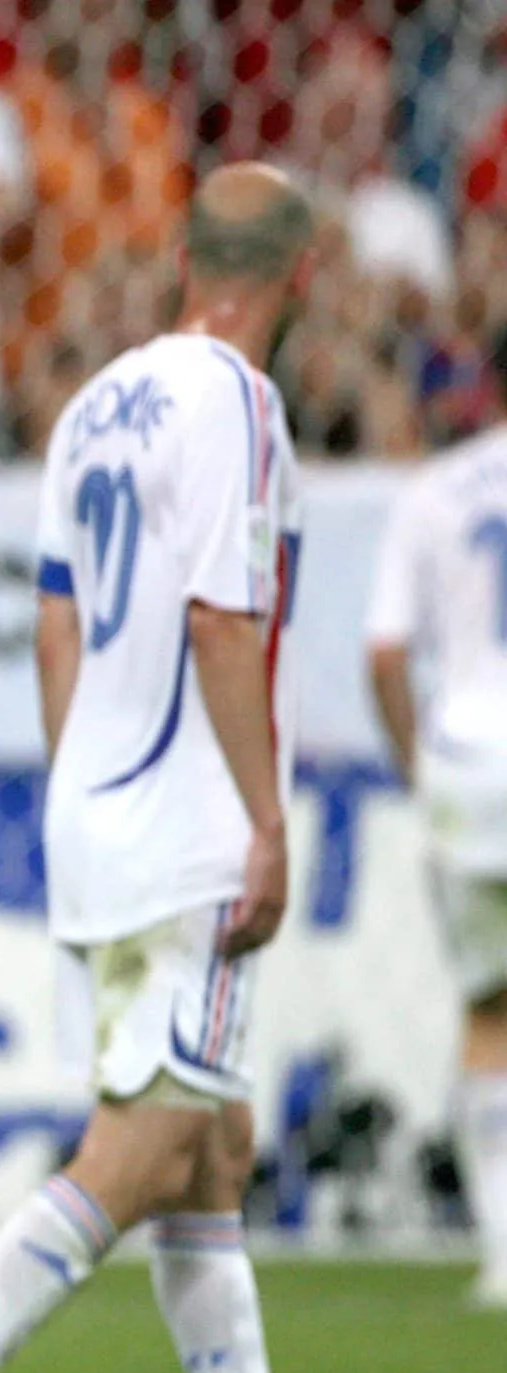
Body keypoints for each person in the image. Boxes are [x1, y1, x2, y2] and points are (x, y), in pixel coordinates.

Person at [0, 162, 419, 1373]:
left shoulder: (98, 401)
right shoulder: (240, 405)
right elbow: (227, 621)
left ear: (181, 258)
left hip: (97, 806)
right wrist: (267, 819)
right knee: (154, 1138)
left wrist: (81, 782)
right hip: (192, 822)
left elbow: (53, 621)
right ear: (303, 274)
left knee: (211, 1141)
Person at [367, 330, 507, 1309]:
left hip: (465, 765)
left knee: (487, 1010)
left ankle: (503, 1251)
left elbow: (383, 654)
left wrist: (415, 763)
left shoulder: (431, 491)